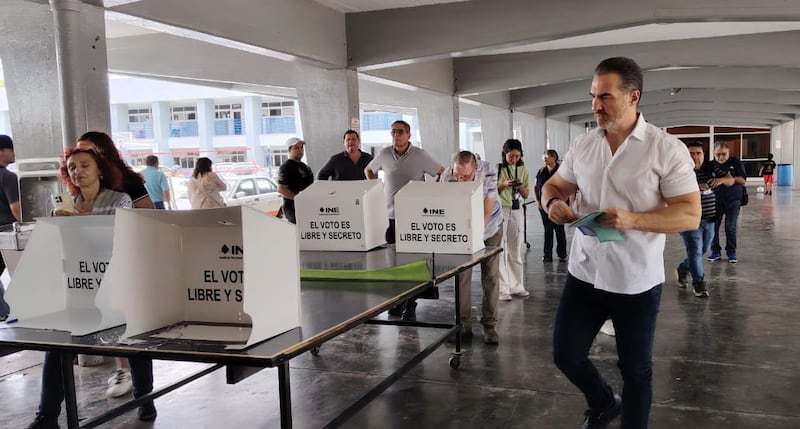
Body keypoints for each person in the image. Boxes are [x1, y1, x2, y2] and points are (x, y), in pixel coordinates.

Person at [541, 57, 700, 429]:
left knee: (636, 371)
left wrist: (632, 220)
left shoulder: (665, 149)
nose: (596, 105)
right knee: (566, 354)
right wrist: (552, 203)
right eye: (593, 96)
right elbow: (555, 186)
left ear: (633, 97)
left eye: (606, 97)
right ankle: (602, 402)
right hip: (585, 272)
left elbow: (689, 214)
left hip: (636, 280)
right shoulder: (583, 144)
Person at [28, 148, 137, 429]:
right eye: (72, 167)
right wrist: (55, 223)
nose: (78, 171)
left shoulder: (119, 199)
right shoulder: (68, 202)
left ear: (99, 169)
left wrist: (73, 220)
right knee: (56, 346)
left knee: (135, 345)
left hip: (117, 287)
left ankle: (144, 397)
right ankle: (47, 416)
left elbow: (119, 235)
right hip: (80, 289)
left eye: (84, 165)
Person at [72, 131, 157, 419]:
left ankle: (144, 394)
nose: (82, 164)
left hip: (128, 263)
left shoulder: (127, 185)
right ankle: (124, 372)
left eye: (89, 154)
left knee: (130, 330)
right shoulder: (76, 194)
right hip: (91, 273)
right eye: (78, 157)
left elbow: (147, 219)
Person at [365, 120, 444, 320]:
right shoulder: (384, 154)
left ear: (409, 135)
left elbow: (442, 172)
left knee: (413, 264)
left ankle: (411, 303)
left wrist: (428, 193)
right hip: (390, 217)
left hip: (414, 218)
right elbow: (369, 170)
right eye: (393, 132)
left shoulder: (420, 155)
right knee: (394, 264)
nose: (396, 135)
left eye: (400, 132)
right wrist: (376, 187)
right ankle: (398, 302)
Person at [441, 151, 504, 343]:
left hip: (490, 227)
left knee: (491, 276)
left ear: (475, 169)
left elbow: (486, 211)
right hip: (463, 230)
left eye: (465, 176)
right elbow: (444, 207)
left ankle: (490, 325)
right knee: (462, 277)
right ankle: (463, 326)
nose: (460, 180)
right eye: (457, 175)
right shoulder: (447, 177)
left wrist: (474, 237)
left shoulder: (489, 172)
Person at [676, 142, 716, 298]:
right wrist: (694, 187)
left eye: (698, 153)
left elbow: (730, 178)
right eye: (691, 153)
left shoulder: (710, 171)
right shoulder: (680, 173)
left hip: (710, 218)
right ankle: (699, 283)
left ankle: (683, 269)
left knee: (703, 250)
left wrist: (717, 182)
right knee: (695, 250)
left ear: (703, 155)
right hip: (689, 220)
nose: (695, 156)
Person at [496, 139, 530, 301]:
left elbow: (526, 194)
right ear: (505, 154)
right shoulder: (497, 169)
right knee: (500, 249)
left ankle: (517, 285)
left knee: (515, 248)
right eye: (511, 156)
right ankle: (502, 289)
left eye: (517, 156)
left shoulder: (523, 170)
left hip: (517, 209)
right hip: (501, 209)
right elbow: (491, 190)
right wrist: (503, 184)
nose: (514, 159)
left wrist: (519, 186)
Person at [707, 141, 746, 264]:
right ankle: (715, 251)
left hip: (733, 199)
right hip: (714, 200)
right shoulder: (709, 165)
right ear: (713, 154)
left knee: (730, 227)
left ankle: (731, 252)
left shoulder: (735, 163)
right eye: (717, 154)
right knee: (713, 227)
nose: (720, 157)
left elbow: (743, 180)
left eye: (724, 154)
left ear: (729, 153)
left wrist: (730, 179)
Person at [0, 135, 21, 322]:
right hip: (6, 236)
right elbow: (17, 209)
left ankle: (4, 311)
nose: (15, 152)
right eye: (11, 148)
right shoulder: (7, 177)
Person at [535, 149, 568, 263]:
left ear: (554, 158)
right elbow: (535, 187)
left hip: (559, 205)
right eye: (543, 155)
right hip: (544, 206)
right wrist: (537, 201)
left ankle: (562, 253)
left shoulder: (562, 171)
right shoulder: (541, 171)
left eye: (548, 155)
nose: (545, 157)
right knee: (548, 230)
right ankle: (547, 254)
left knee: (559, 229)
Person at [277, 137, 314, 223]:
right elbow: (281, 189)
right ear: (289, 149)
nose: (300, 150)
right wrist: (298, 199)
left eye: (302, 148)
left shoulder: (305, 166)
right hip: (293, 209)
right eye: (297, 148)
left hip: (306, 207)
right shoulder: (286, 167)